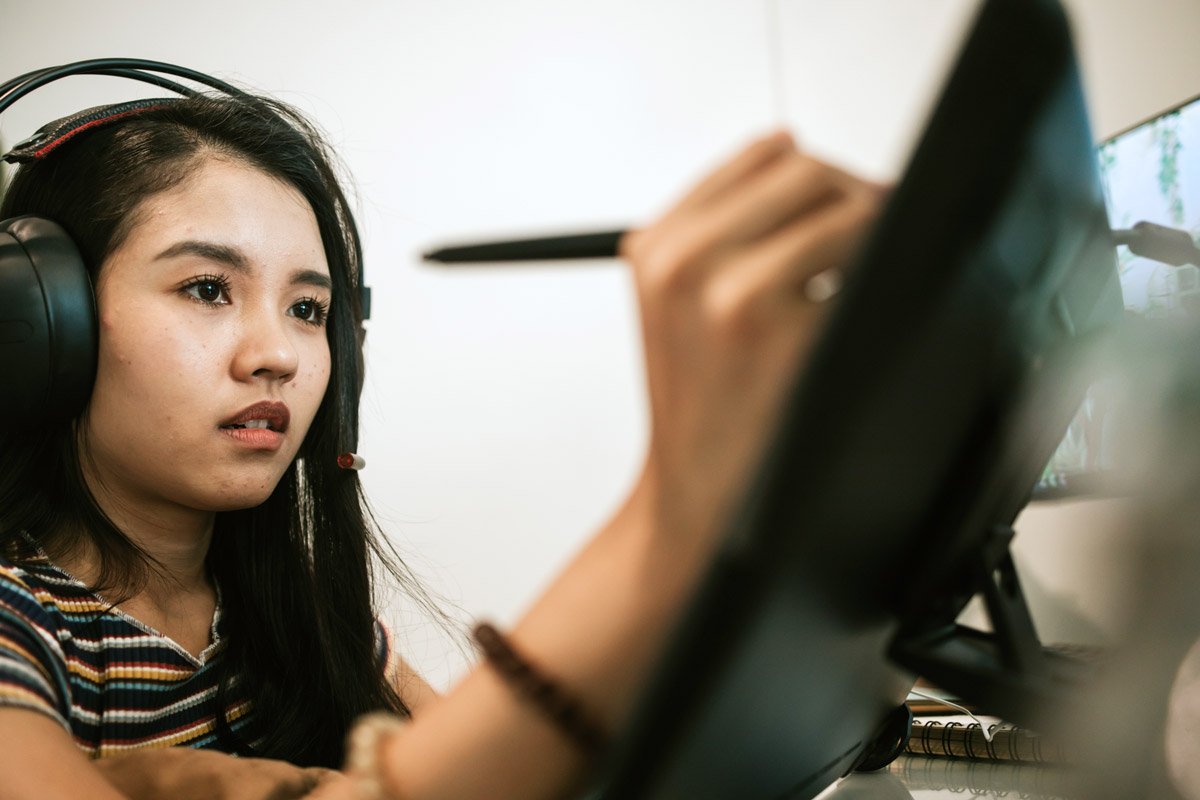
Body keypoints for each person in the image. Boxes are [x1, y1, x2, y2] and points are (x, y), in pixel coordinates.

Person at [0, 80, 880, 799]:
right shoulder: (18, 628)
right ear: (44, 324)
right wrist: (667, 519)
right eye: (205, 289)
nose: (277, 355)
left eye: (309, 310)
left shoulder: (302, 611)